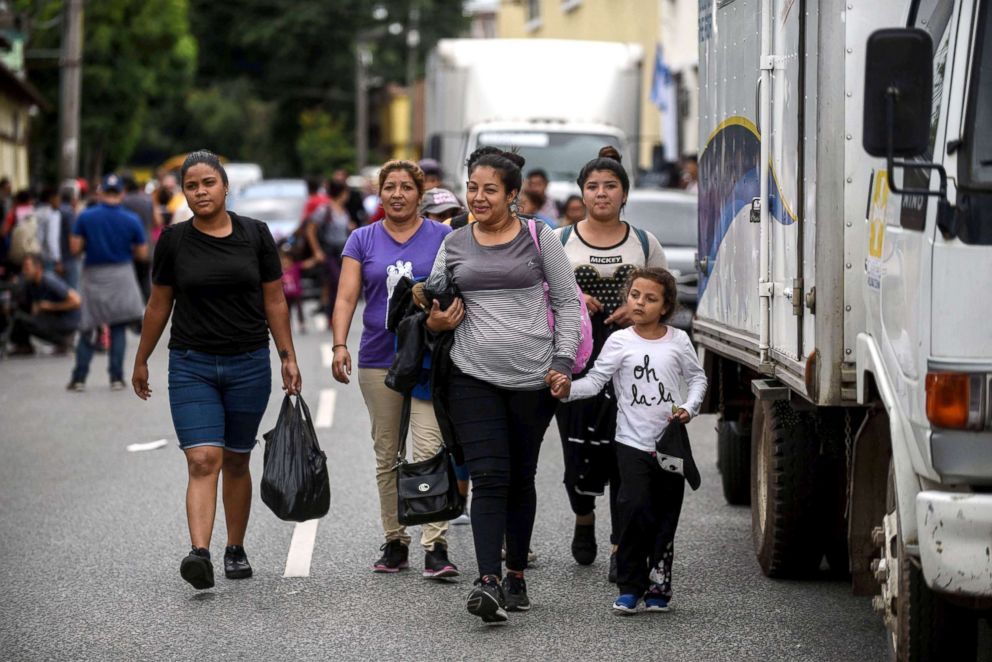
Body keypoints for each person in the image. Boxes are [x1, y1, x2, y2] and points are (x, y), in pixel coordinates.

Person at [131, 150, 301, 590]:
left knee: (237, 459)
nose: (200, 192)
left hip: (248, 363)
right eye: (192, 186)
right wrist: (142, 357)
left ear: (225, 187)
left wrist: (287, 355)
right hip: (192, 364)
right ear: (182, 192)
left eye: (208, 183)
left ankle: (235, 547)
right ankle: (200, 553)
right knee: (203, 459)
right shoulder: (173, 241)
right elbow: (158, 304)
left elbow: (274, 299)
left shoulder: (255, 235)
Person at [425, 150, 581, 624]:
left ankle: (516, 573)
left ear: (512, 196)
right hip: (471, 375)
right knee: (489, 477)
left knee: (520, 476)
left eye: (490, 189)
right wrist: (433, 320)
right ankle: (488, 580)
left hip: (534, 378)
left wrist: (562, 361)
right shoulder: (453, 242)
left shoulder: (540, 237)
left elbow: (568, 303)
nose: (478, 196)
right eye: (473, 187)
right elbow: (432, 301)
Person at [549, 267, 706, 615]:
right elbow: (596, 381)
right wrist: (568, 390)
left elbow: (697, 380)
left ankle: (658, 589)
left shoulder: (678, 341)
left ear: (665, 307)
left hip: (668, 445)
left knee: (665, 516)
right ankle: (629, 587)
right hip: (630, 443)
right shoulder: (620, 341)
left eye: (650, 299)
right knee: (633, 509)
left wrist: (689, 408)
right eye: (635, 295)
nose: (640, 303)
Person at [331, 160, 459, 578]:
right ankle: (395, 540)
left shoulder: (443, 236)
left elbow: (458, 291)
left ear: (420, 194)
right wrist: (338, 344)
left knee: (428, 447)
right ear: (379, 192)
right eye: (390, 187)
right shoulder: (362, 238)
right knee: (388, 453)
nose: (398, 194)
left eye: (407, 187)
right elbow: (347, 298)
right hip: (378, 357)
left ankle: (435, 545)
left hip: (427, 358)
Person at [554, 146, 668, 582]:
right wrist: (574, 299)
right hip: (578, 360)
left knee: (629, 454)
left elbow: (665, 296)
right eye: (592, 186)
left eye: (610, 186)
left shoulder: (644, 242)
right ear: (582, 193)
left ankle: (623, 545)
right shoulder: (561, 241)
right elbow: (539, 293)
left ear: (624, 194)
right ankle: (584, 516)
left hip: (633, 362)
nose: (601, 194)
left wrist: (637, 310)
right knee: (577, 453)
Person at [67, 175, 148, 392]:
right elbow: (142, 253)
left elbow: (75, 249)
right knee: (118, 326)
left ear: (100, 193)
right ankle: (116, 378)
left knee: (88, 326)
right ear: (121, 194)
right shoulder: (132, 219)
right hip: (121, 274)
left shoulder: (85, 217)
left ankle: (79, 378)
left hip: (94, 274)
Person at [7, 253, 79, 355]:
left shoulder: (49, 281)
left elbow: (76, 301)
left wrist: (50, 306)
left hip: (67, 321)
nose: (24, 271)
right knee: (17, 315)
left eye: (27, 267)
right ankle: (24, 345)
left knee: (24, 319)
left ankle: (64, 340)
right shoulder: (30, 283)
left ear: (38, 268)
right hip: (52, 317)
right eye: (23, 267)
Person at [122, 174, 155, 302]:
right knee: (145, 280)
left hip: (132, 247)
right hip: (148, 244)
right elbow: (156, 220)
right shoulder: (148, 199)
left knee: (131, 281)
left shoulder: (125, 201)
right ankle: (148, 309)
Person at [58, 187, 80, 290]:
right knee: (72, 290)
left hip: (57, 257)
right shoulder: (69, 212)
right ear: (73, 198)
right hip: (68, 258)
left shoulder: (57, 209)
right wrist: (76, 253)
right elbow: (73, 236)